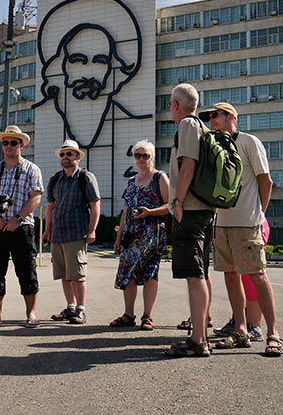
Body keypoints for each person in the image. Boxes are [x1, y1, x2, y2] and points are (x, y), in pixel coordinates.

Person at [200, 102, 283, 356]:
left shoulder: (248, 141)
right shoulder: (216, 146)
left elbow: (265, 179)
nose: (211, 120)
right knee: (230, 275)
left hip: (247, 222)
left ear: (231, 117)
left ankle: (273, 333)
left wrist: (260, 213)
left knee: (257, 275)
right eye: (209, 117)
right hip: (222, 223)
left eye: (216, 116)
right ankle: (241, 330)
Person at [163, 83, 215, 358]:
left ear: (175, 105)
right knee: (201, 273)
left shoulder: (187, 126)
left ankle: (198, 341)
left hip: (190, 210)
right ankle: (201, 335)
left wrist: (178, 202)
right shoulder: (202, 128)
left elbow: (188, 165)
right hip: (204, 209)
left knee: (195, 276)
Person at [0, 125, 44, 328]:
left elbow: (36, 197)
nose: (9, 146)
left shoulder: (31, 169)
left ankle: (31, 313)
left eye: (13, 142)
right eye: (5, 142)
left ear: (22, 145)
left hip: (21, 226)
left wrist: (17, 218)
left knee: (26, 270)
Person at [111, 140, 169, 331]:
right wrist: (119, 237)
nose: (142, 159)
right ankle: (129, 315)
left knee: (150, 273)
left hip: (152, 234)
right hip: (130, 234)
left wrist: (150, 212)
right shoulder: (131, 181)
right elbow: (126, 210)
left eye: (146, 155)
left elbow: (171, 205)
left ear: (152, 157)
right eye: (138, 155)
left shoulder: (159, 177)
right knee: (128, 273)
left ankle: (147, 316)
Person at [43, 139, 101, 325]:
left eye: (69, 154)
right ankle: (71, 307)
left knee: (77, 274)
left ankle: (81, 310)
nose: (65, 157)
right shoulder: (55, 179)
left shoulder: (85, 177)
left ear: (77, 156)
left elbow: (95, 205)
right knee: (64, 274)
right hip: (58, 235)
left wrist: (92, 230)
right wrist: (47, 230)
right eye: (62, 154)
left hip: (76, 233)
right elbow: (50, 207)